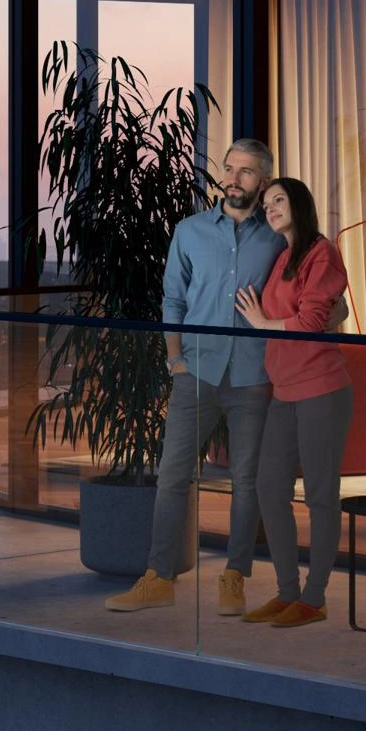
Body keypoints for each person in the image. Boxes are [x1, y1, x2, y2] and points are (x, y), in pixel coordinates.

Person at [112, 136, 277, 614]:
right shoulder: (190, 231)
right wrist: (174, 360)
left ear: (262, 180)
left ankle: (234, 577)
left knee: (246, 482)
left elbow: (313, 289)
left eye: (245, 171)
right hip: (197, 371)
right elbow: (173, 301)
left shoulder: (279, 236)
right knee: (172, 477)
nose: (232, 178)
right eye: (229, 168)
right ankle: (158, 576)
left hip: (254, 374)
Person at [233, 176, 351, 628]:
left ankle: (314, 597)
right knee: (268, 489)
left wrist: (264, 322)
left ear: (299, 203)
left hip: (321, 389)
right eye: (266, 204)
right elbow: (306, 316)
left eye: (278, 200)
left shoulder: (322, 253)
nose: (270, 208)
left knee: (321, 496)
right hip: (283, 391)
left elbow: (312, 320)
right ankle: (286, 592)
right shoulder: (283, 256)